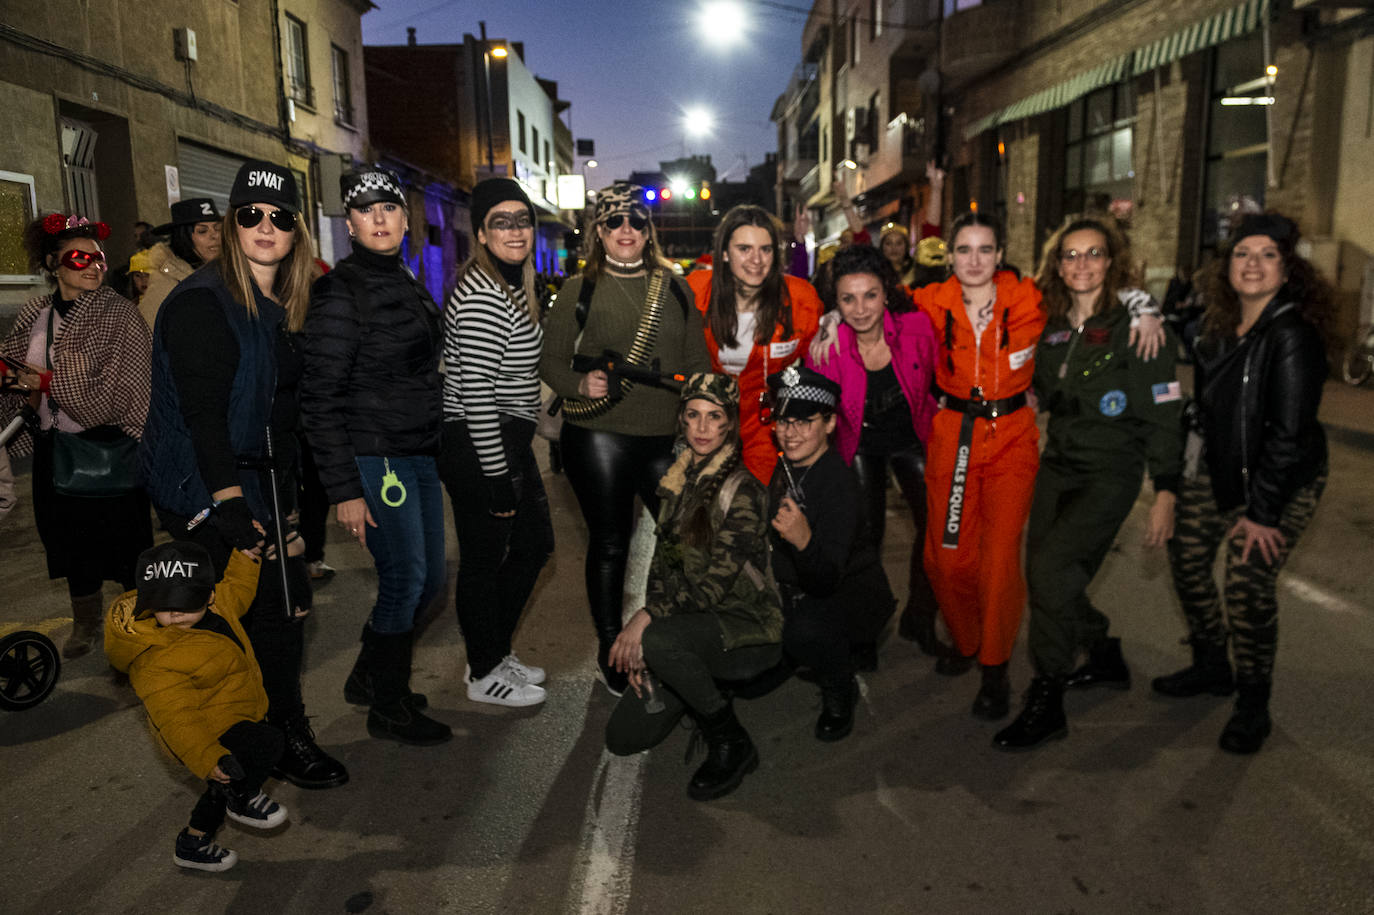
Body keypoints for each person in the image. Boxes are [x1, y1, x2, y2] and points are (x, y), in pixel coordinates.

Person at [140, 159, 348, 788]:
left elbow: (282, 415)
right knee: (222, 632)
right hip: (206, 489)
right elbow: (204, 419)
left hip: (261, 481)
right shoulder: (204, 302)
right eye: (250, 215)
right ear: (231, 225)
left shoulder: (281, 301)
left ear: (297, 232)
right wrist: (230, 505)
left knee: (282, 615)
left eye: (280, 217)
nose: (265, 226)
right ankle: (233, 752)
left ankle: (280, 735)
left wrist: (289, 504)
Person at [994, 214, 1183, 750]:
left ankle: (1048, 694)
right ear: (1057, 264)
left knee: (1052, 576)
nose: (1082, 264)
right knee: (1045, 576)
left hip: (1110, 472)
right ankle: (1101, 652)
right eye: (1071, 255)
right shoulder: (1048, 323)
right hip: (1059, 465)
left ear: (1112, 261)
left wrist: (1165, 490)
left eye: (1094, 253)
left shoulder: (1138, 327)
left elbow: (1165, 412)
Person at [1155, 213, 1330, 755]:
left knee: (1247, 584)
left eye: (1267, 254)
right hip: (1221, 466)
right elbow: (1203, 412)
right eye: (1241, 253)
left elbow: (1290, 435)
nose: (1252, 264)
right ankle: (1212, 665)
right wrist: (1177, 481)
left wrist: (1263, 514)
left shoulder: (1292, 335)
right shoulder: (1215, 330)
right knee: (1186, 558)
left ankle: (1254, 704)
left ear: (1286, 269)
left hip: (1281, 479)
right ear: (1226, 267)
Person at [540, 182, 710, 696]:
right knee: (610, 543)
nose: (626, 231)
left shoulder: (675, 287)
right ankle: (611, 646)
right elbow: (550, 361)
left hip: (666, 439)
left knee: (685, 539)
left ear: (649, 228)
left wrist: (703, 418)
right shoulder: (578, 289)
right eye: (614, 222)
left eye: (636, 221)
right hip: (599, 436)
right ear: (599, 231)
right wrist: (578, 384)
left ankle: (674, 634)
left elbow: (698, 361)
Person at [301, 165, 452, 744]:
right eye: (367, 211)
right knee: (405, 579)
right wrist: (343, 491)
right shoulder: (340, 291)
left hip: (415, 451)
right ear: (351, 223)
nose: (381, 218)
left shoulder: (404, 278)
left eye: (389, 207)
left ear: (405, 219)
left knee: (431, 580)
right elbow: (320, 397)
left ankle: (371, 674)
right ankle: (388, 705)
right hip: (376, 457)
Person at [603, 373, 782, 800]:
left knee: (662, 641)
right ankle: (696, 679)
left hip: (746, 626)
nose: (702, 428)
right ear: (681, 420)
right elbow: (665, 566)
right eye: (693, 415)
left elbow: (712, 591)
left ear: (729, 424)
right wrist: (651, 617)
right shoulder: (677, 480)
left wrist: (646, 622)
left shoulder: (742, 492)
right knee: (622, 736)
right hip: (691, 623)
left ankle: (730, 740)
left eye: (714, 417)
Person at [910, 211, 1046, 720]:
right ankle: (966, 639)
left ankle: (994, 667)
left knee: (1000, 560)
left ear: (1001, 255)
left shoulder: (1030, 299)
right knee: (946, 560)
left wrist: (1142, 307)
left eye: (984, 249)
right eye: (963, 250)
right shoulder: (926, 303)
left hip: (1013, 439)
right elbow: (869, 310)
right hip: (953, 436)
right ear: (949, 256)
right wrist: (834, 321)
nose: (974, 260)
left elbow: (1093, 300)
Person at [0, 213, 152, 658]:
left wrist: (45, 382)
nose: (93, 266)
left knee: (127, 546)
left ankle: (139, 622)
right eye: (79, 257)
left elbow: (124, 390)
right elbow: (12, 367)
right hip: (54, 449)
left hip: (110, 448)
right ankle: (86, 623)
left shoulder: (121, 315)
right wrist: (15, 379)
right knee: (67, 543)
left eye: (99, 258)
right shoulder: (36, 313)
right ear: (53, 263)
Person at [439, 178, 553, 708]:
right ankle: (484, 670)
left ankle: (492, 650)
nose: (515, 230)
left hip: (501, 443)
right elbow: (477, 392)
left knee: (532, 546)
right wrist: (496, 477)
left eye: (522, 219)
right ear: (482, 233)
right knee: (487, 560)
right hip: (481, 444)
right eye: (501, 221)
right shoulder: (485, 292)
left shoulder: (510, 286)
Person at [105, 541, 287, 872]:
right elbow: (176, 719)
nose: (173, 614)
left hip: (234, 711)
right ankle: (244, 799)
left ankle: (193, 841)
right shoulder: (154, 659)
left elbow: (239, 591)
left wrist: (246, 557)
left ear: (210, 596)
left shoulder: (220, 606)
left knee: (223, 786)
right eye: (162, 605)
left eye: (184, 604)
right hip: (203, 732)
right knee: (267, 744)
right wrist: (207, 757)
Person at [810, 245, 941, 661]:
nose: (860, 308)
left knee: (936, 529)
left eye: (870, 295)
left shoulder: (918, 327)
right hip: (858, 442)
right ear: (836, 302)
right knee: (866, 539)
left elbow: (948, 372)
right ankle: (865, 627)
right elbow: (817, 409)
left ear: (887, 292)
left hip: (911, 435)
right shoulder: (827, 346)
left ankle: (920, 616)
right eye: (847, 299)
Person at [767, 365, 893, 741]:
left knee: (802, 635)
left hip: (847, 595)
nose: (791, 433)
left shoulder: (838, 483)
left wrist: (803, 539)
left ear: (830, 423)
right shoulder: (790, 465)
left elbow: (826, 579)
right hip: (800, 585)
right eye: (784, 421)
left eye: (805, 422)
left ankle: (841, 688)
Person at [686, 204, 822, 482]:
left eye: (766, 249)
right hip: (708, 418)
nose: (756, 260)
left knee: (759, 505)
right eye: (744, 249)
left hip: (766, 421)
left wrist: (832, 327)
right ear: (724, 253)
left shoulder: (800, 300)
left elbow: (819, 360)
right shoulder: (696, 291)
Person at [138, 198, 224, 328]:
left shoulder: (229, 275)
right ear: (183, 237)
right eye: (202, 231)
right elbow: (147, 336)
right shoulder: (165, 284)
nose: (215, 236)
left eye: (217, 228)